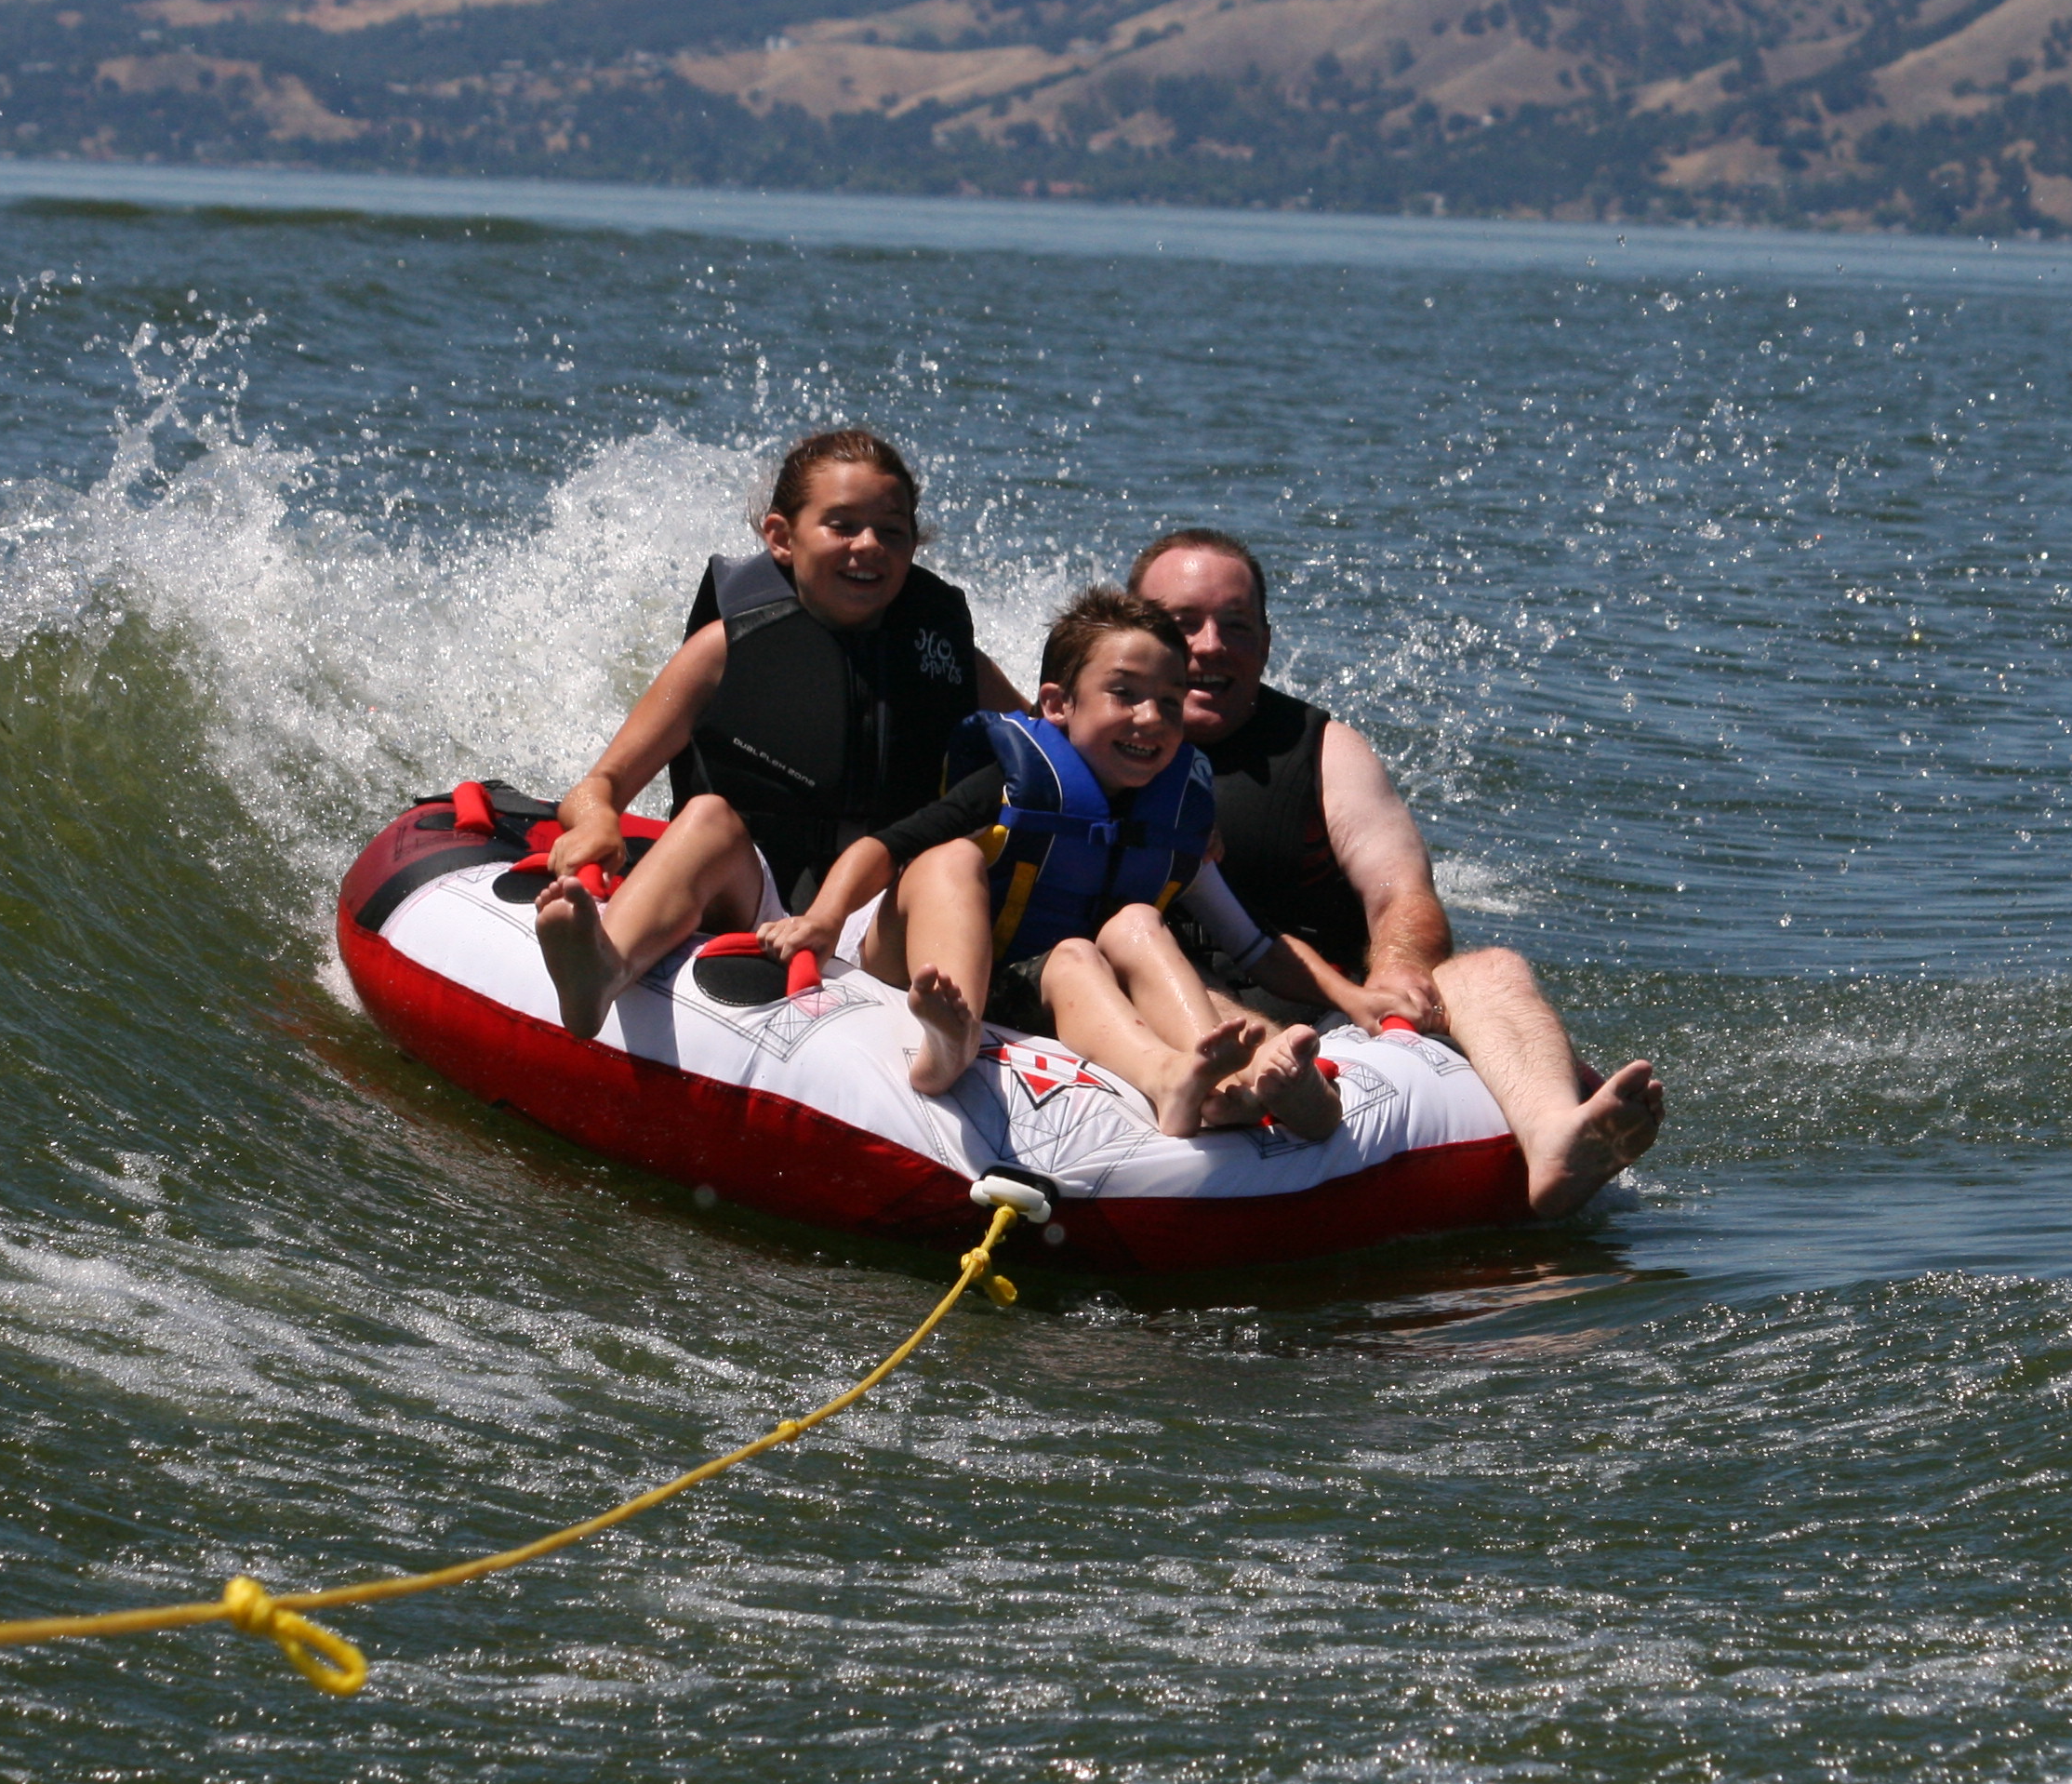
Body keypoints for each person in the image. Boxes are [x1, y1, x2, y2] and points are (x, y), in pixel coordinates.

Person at [1127, 529, 1664, 1216]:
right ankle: (1292, 1092)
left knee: (1492, 969)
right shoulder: (1096, 749)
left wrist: (1396, 977)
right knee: (1182, 981)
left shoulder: (1324, 750)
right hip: (1193, 1007)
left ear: (1265, 641)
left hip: (1338, 1010)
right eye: (1183, 624)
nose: (1210, 646)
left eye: (1236, 625)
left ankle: (1555, 1139)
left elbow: (1402, 893)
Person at [533, 428, 1025, 1038]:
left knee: (951, 859)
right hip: (750, 892)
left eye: (891, 532)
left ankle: (954, 1034)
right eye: (842, 526)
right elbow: (601, 785)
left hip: (877, 913)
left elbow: (1045, 753)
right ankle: (601, 969)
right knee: (708, 817)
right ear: (781, 538)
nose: (869, 546)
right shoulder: (723, 649)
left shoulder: (951, 660)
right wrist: (596, 822)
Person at [853, 587, 1343, 1139]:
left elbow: (1253, 941)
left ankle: (1208, 1084)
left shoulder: (1177, 818)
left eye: (1171, 703)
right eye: (1124, 694)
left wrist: (1357, 1000)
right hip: (922, 963)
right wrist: (820, 922)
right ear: (1059, 704)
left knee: (1121, 932)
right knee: (950, 859)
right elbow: (887, 848)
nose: (1150, 718)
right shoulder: (1007, 786)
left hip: (1043, 984)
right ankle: (949, 1040)